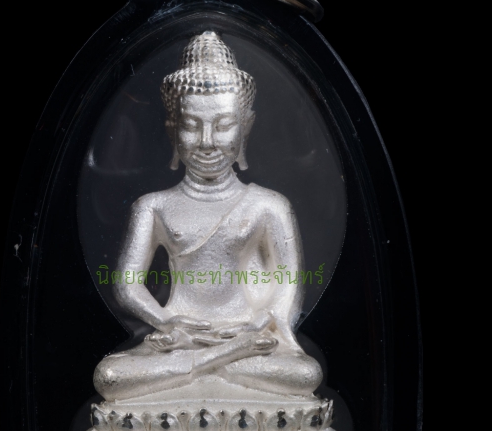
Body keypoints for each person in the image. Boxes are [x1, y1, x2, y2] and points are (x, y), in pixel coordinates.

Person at [94, 31, 322, 401]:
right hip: (178, 338)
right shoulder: (153, 206)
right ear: (173, 131)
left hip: (248, 337)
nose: (206, 141)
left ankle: (211, 363)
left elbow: (287, 285)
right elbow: (127, 286)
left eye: (223, 125)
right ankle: (219, 360)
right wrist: (169, 323)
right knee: (110, 376)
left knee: (304, 374)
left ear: (245, 127)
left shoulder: (268, 205)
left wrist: (259, 325)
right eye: (191, 125)